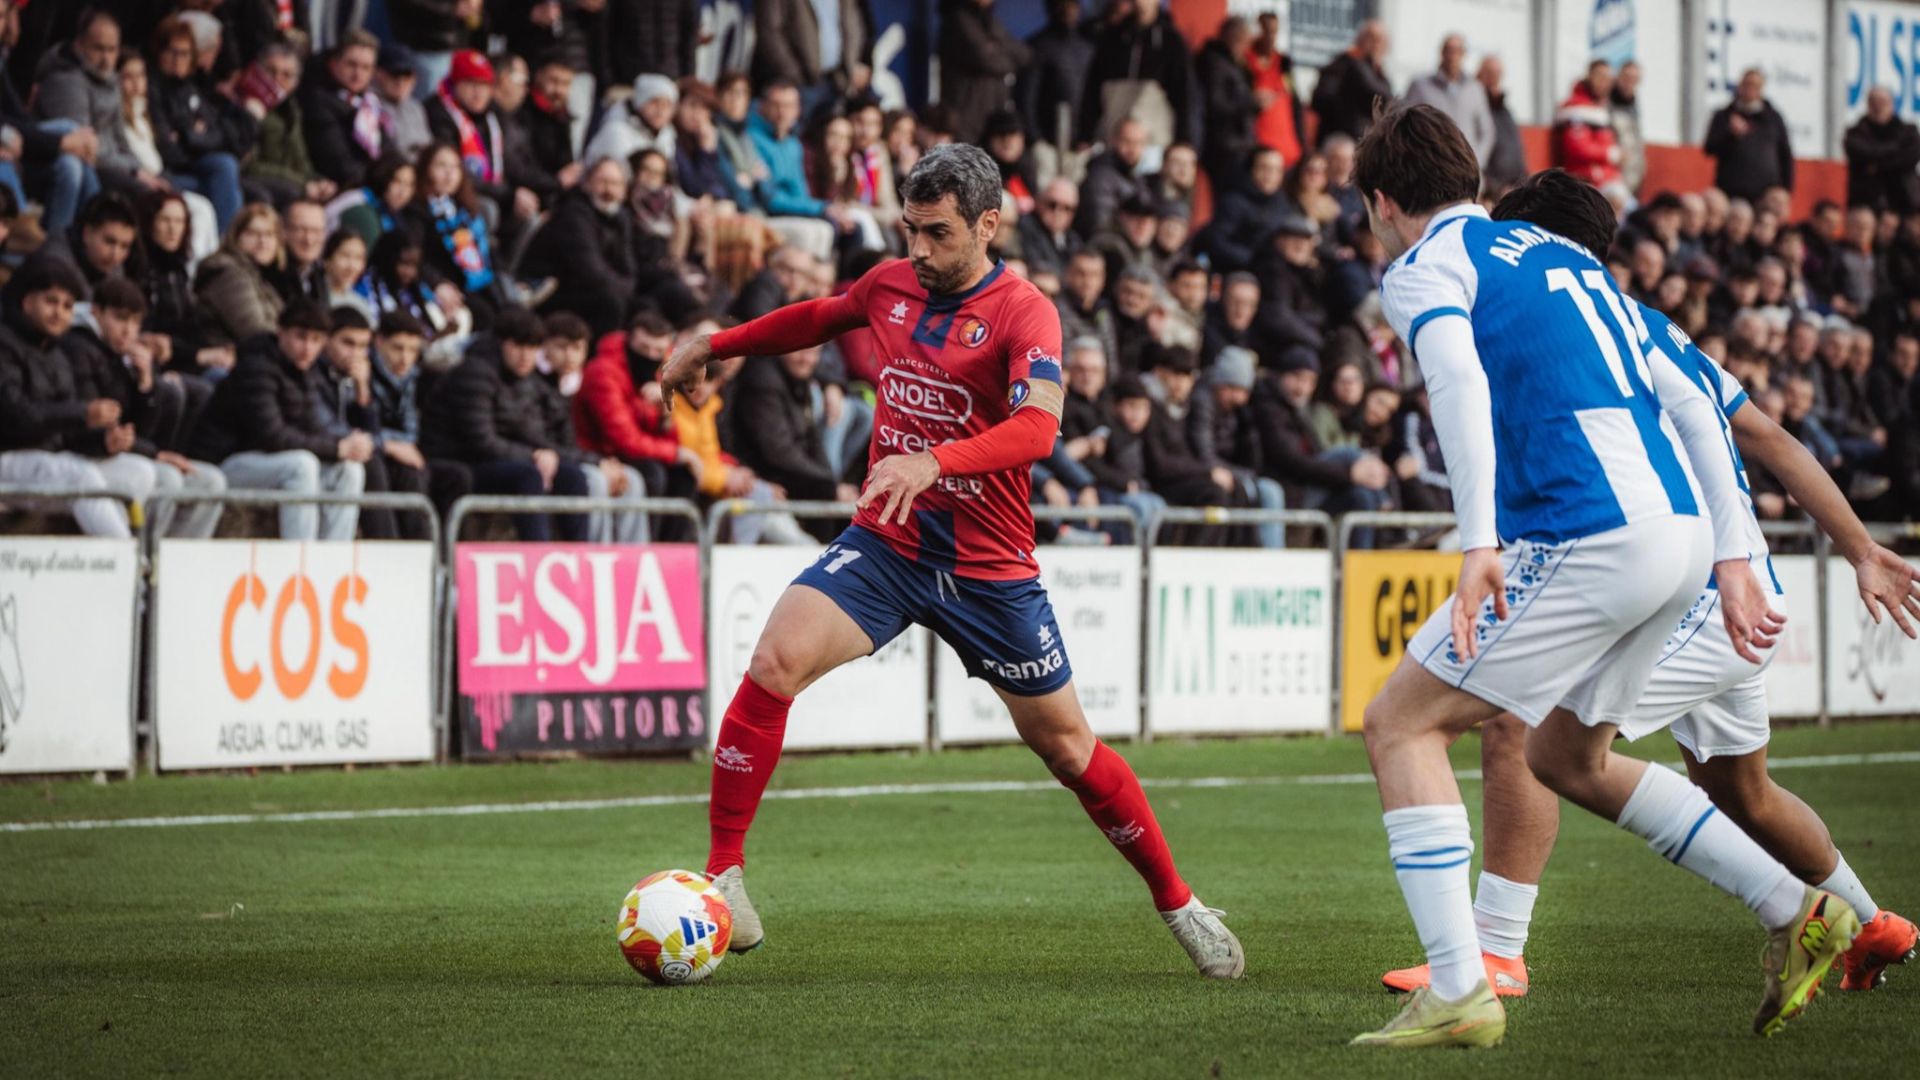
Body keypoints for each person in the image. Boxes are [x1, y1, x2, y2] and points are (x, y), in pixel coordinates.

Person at [657, 143, 1242, 977]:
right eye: (910, 230)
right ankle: (724, 877)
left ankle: (1179, 901)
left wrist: (935, 459)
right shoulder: (892, 283)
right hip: (887, 542)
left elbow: (1037, 429)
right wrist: (720, 341)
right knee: (774, 660)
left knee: (1069, 749)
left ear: (987, 225)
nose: (919, 251)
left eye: (936, 234)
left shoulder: (1025, 313)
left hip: (988, 568)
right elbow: (819, 317)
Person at [1350, 106, 1847, 1048]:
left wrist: (1475, 540)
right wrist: (1733, 559)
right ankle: (1804, 911)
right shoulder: (1564, 260)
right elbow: (1702, 411)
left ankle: (1462, 984)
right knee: (1559, 755)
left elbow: (1453, 377)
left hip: (1591, 533)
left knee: (1400, 723)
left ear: (1382, 201)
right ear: (1473, 177)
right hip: (1682, 541)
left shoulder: (1424, 267)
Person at [190, 298, 369, 540]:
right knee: (301, 465)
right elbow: (272, 436)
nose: (307, 348)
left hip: (268, 461)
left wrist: (352, 444)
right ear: (281, 332)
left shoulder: (306, 372)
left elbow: (315, 427)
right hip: (226, 463)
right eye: (300, 337)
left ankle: (331, 563)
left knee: (349, 471)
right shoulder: (256, 367)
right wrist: (337, 447)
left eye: (316, 340)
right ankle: (300, 561)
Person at [420, 306, 591, 541]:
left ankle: (578, 559)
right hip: (460, 461)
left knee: (573, 476)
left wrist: (550, 455)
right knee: (529, 475)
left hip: (496, 459)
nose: (525, 356)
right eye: (518, 346)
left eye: (532, 348)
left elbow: (529, 432)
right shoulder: (475, 373)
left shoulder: (522, 380)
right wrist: (533, 456)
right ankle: (537, 557)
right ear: (501, 344)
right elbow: (481, 441)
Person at [0, 254, 140, 537]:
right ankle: (131, 568)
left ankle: (139, 561)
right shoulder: (4, 344)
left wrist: (104, 442)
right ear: (28, 302)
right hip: (9, 458)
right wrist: (83, 413)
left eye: (67, 306)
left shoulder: (58, 354)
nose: (59, 313)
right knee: (80, 476)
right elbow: (14, 417)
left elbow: (67, 434)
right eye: (51, 301)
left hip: (50, 460)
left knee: (139, 474)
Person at [148, 16, 253, 232]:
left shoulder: (192, 87)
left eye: (185, 53)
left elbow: (219, 135)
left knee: (227, 170)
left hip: (197, 164)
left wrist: (186, 136)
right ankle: (225, 243)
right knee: (224, 172)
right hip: (170, 170)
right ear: (160, 52)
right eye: (172, 52)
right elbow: (167, 146)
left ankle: (226, 242)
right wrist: (195, 134)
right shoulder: (152, 88)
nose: (178, 60)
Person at [1078, 0, 1194, 150]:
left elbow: (1184, 97)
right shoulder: (1111, 38)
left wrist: (1183, 141)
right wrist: (1084, 136)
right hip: (1110, 140)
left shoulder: (1172, 42)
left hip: (1155, 144)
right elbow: (1092, 92)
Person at [238, 43, 330, 208]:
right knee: (293, 193)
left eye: (286, 75)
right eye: (271, 71)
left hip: (288, 182)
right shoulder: (246, 105)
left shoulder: (293, 110)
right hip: (256, 181)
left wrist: (318, 181)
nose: (277, 79)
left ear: (296, 82)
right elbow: (249, 165)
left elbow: (300, 160)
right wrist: (303, 185)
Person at [300, 31, 387, 192]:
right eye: (351, 64)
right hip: (341, 189)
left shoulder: (370, 103)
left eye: (366, 68)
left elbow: (387, 151)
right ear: (333, 64)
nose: (358, 74)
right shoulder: (317, 101)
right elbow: (339, 165)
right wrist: (382, 183)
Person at [750, 0, 871, 114]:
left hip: (835, 82)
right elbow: (769, 34)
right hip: (794, 85)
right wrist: (794, 75)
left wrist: (852, 64)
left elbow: (855, 25)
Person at [194, 202, 287, 344]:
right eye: (253, 233)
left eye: (269, 234)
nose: (262, 241)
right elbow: (254, 330)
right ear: (236, 237)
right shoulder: (228, 273)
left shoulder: (257, 275)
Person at [939, 0, 1028, 146]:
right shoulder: (957, 19)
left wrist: (995, 48)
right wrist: (1002, 55)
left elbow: (1023, 55)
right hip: (965, 119)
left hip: (991, 117)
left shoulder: (991, 21)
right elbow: (985, 59)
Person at [1402, 34, 1493, 168]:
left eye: (1457, 51)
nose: (1452, 56)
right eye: (1449, 50)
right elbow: (1405, 123)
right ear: (1442, 52)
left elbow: (1487, 131)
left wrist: (1476, 161)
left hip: (1465, 168)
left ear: (1463, 54)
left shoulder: (1475, 89)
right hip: (1430, 166)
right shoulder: (1420, 86)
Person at [1705, 68, 1794, 204]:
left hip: (1766, 193)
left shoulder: (1773, 118)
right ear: (1740, 86)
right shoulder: (1724, 115)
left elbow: (1785, 154)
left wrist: (1786, 189)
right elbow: (1709, 149)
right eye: (1747, 84)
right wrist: (1731, 135)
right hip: (1731, 192)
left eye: (1755, 86)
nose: (1750, 89)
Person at [1015, 0, 1094, 150]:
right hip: (1046, 142)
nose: (1068, 10)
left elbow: (1093, 99)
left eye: (1072, 5)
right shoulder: (1037, 47)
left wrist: (1088, 137)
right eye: (1063, 4)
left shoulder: (1088, 49)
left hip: (1081, 146)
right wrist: (1036, 139)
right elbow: (1025, 97)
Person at [1311, 19, 1392, 147]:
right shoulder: (1344, 63)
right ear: (1360, 39)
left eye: (1380, 40)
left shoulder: (1380, 74)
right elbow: (1321, 98)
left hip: (1367, 142)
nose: (1376, 44)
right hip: (1342, 141)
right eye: (1371, 37)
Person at [1552, 61, 1624, 204]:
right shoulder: (1576, 106)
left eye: (1608, 79)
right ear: (1589, 77)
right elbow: (1577, 148)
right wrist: (1611, 153)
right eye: (1600, 77)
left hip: (1608, 179)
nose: (1604, 83)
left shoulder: (1601, 107)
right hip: (1586, 182)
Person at [1195, 17, 1256, 183]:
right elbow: (1216, 105)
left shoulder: (1234, 65)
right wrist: (1253, 103)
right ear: (1231, 38)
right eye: (1243, 41)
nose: (1245, 48)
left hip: (1236, 145)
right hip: (1225, 147)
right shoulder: (1215, 63)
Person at [1844, 87, 1920, 214]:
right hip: (1867, 203)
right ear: (1868, 105)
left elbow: (1911, 157)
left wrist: (1876, 166)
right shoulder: (1855, 133)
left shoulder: (1909, 132)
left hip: (1905, 202)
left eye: (1883, 103)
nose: (1878, 107)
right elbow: (1860, 152)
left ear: (1892, 104)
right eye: (1874, 103)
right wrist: (1895, 149)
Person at [1245, 12, 1304, 169]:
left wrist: (1302, 142)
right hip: (1258, 146)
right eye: (1266, 30)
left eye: (1274, 31)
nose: (1270, 37)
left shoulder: (1284, 63)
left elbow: (1295, 102)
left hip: (1287, 146)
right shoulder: (1245, 61)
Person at [372, 42, 432, 163]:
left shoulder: (416, 107)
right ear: (378, 74)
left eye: (406, 75)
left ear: (414, 78)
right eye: (394, 74)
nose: (400, 82)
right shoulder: (370, 105)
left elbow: (429, 146)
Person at [1478, 57, 1525, 194]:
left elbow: (1517, 152)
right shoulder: (1476, 110)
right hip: (1491, 191)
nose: (1494, 78)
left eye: (1498, 74)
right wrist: (1493, 187)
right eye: (1489, 73)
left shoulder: (1506, 111)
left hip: (1514, 186)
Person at [1610, 60, 1646, 197]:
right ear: (1618, 77)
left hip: (1634, 175)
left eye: (1635, 79)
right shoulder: (1608, 102)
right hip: (1615, 175)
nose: (1630, 83)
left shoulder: (1634, 103)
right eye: (1627, 78)